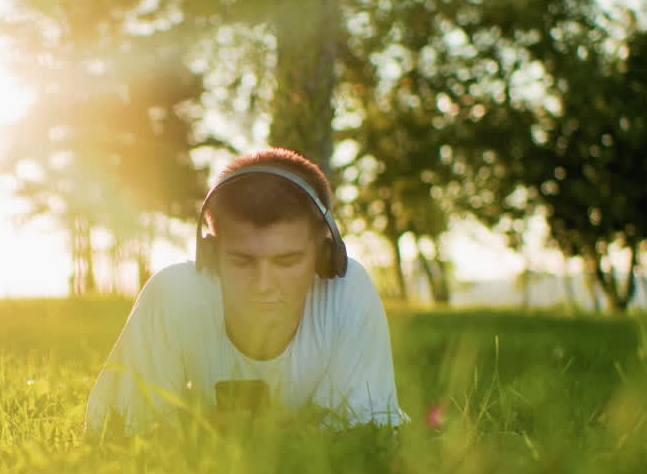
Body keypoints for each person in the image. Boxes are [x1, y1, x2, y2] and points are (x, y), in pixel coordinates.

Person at [85, 148, 408, 437]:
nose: (263, 283)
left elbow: (366, 438)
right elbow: (122, 435)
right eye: (242, 261)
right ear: (211, 256)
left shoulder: (346, 290)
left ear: (325, 257)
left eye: (287, 261)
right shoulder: (173, 295)